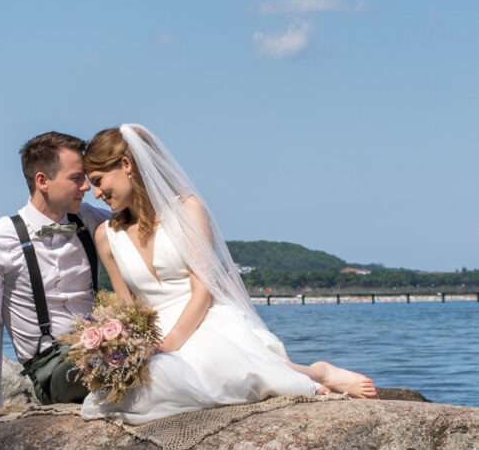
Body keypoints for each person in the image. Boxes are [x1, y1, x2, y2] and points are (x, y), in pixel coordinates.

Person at [81, 124, 377, 426]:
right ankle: (308, 372)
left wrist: (170, 343)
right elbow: (126, 308)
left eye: (98, 180)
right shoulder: (107, 235)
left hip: (202, 318)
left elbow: (203, 290)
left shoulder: (187, 211)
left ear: (127, 165)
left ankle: (317, 372)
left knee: (212, 371)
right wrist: (125, 347)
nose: (96, 192)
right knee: (134, 388)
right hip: (153, 335)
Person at [0, 131, 107, 432]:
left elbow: (142, 227)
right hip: (52, 369)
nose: (87, 187)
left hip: (103, 347)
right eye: (76, 178)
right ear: (42, 181)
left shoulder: (92, 220)